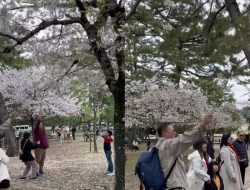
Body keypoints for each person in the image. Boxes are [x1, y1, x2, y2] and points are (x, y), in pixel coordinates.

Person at [156, 114, 213, 190]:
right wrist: (201, 125)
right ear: (165, 133)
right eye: (173, 130)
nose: (175, 133)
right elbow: (184, 139)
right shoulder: (168, 145)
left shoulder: (157, 146)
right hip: (174, 187)